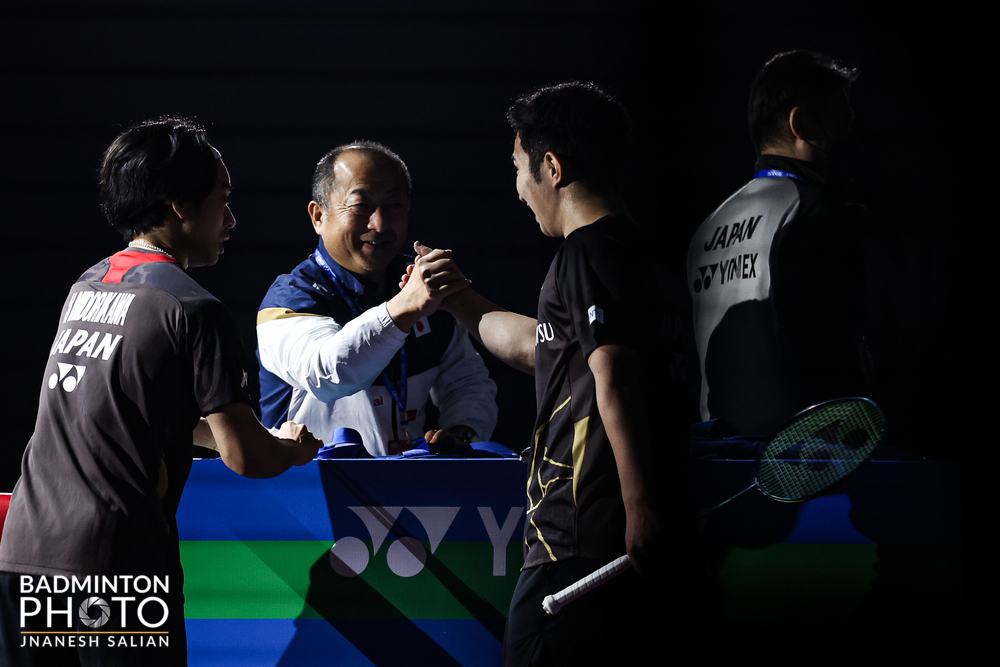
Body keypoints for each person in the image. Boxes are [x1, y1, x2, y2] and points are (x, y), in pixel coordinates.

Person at [0, 118, 322, 667]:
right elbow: (247, 458)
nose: (231, 219)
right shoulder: (195, 309)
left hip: (24, 559)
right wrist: (291, 447)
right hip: (115, 571)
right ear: (179, 206)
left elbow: (127, 414)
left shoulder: (86, 285)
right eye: (223, 200)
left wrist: (233, 433)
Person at [406, 83, 701, 664]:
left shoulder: (586, 252)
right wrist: (456, 296)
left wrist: (639, 507)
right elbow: (541, 347)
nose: (519, 188)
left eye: (520, 169)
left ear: (553, 167)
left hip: (582, 537)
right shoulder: (644, 257)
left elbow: (612, 375)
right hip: (625, 537)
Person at [256, 142, 497, 456]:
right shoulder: (289, 299)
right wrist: (404, 306)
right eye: (361, 205)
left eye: (394, 205)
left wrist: (462, 432)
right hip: (308, 484)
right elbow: (329, 375)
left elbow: (467, 381)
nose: (379, 224)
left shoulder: (421, 284)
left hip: (407, 485)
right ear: (318, 216)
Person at [687, 49, 869, 435]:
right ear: (800, 123)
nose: (852, 136)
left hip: (722, 456)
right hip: (808, 458)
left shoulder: (708, 226)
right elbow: (840, 353)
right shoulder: (816, 212)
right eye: (843, 122)